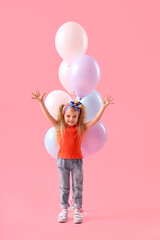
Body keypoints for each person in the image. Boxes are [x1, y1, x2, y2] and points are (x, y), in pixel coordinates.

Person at [31, 89, 114, 224]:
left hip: (76, 162)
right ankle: (64, 209)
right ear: (63, 116)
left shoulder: (81, 128)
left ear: (78, 117)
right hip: (62, 161)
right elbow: (47, 116)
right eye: (68, 116)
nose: (71, 119)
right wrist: (41, 102)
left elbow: (96, 119)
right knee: (64, 186)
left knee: (78, 186)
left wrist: (103, 106)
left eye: (74, 117)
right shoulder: (59, 126)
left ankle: (76, 209)